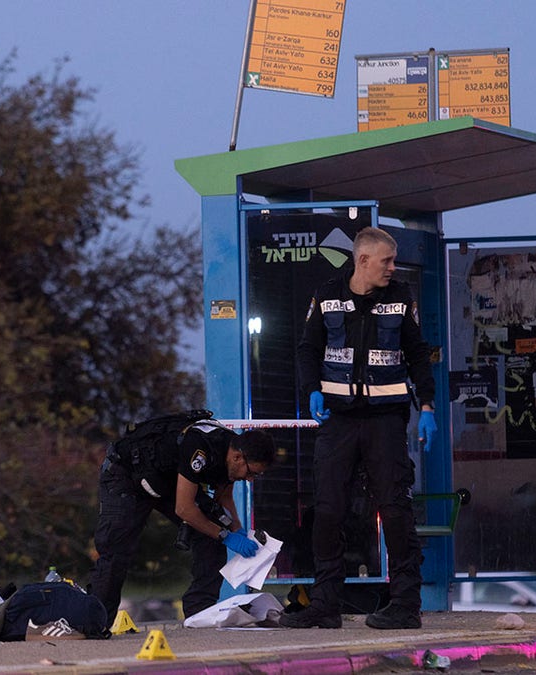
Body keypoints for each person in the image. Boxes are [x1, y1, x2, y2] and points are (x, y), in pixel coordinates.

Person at [281, 227, 437, 630]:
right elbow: (307, 349)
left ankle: (405, 604)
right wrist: (311, 390)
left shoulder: (401, 297)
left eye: (394, 260)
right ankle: (325, 605)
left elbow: (418, 355)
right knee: (329, 511)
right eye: (386, 260)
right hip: (338, 419)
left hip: (386, 420)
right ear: (362, 260)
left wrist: (429, 406)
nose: (392, 267)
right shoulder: (328, 294)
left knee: (395, 509)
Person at [87, 417, 276, 627]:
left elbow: (224, 498)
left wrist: (237, 529)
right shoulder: (200, 449)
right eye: (251, 473)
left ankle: (200, 613)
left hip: (165, 481)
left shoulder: (232, 455)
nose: (250, 479)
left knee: (210, 534)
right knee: (116, 548)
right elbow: (184, 509)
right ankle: (95, 622)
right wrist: (225, 536)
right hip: (126, 475)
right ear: (238, 457)